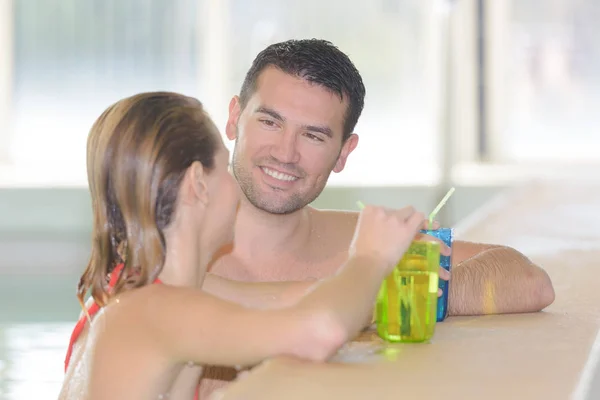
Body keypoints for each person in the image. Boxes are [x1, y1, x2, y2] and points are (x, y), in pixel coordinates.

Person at [199, 39, 556, 397]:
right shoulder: (170, 245)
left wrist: (406, 292)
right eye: (270, 122)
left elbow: (529, 281)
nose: (285, 153)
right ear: (234, 119)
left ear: (343, 153)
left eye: (313, 135)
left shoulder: (358, 244)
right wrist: (369, 290)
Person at [59, 91, 437, 400]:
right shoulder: (153, 310)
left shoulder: (147, 288)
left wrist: (389, 268)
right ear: (199, 184)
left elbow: (294, 298)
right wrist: (369, 258)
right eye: (224, 169)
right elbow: (320, 330)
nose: (234, 188)